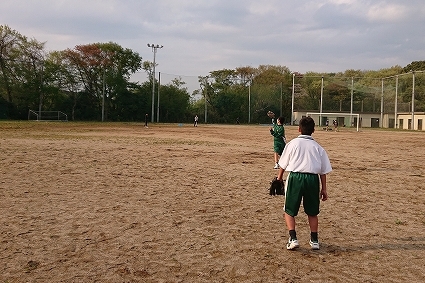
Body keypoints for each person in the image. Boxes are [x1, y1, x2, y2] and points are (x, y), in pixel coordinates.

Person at [276, 116, 332, 250]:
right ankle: (314, 240)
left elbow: (283, 164)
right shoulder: (318, 147)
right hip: (312, 180)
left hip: (295, 177)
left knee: (289, 210)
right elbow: (323, 171)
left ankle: (293, 238)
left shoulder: (292, 144)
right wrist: (324, 189)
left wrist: (279, 178)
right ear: (313, 130)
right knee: (312, 212)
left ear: (299, 129)